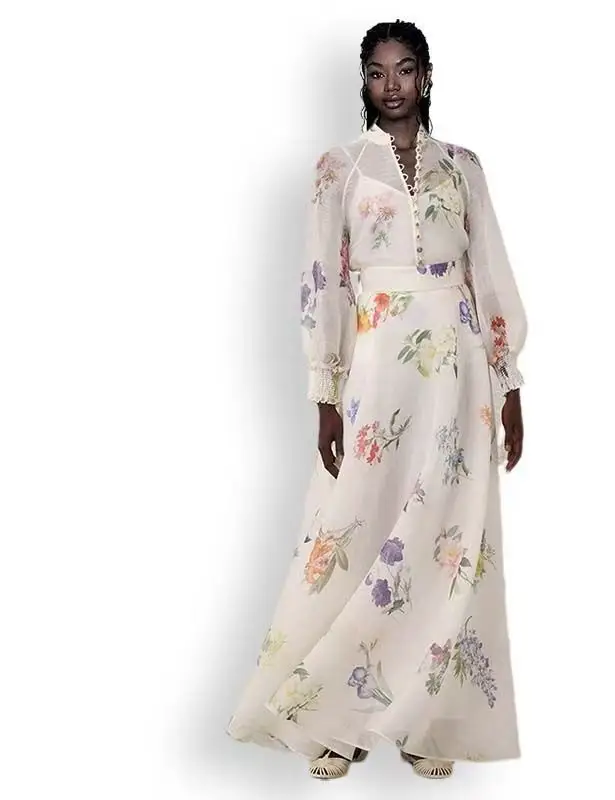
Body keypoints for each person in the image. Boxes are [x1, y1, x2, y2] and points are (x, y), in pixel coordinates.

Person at [226, 19, 528, 780]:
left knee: (447, 539)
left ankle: (425, 718)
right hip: (375, 369)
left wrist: (509, 382)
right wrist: (324, 394)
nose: (392, 84)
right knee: (356, 528)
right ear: (363, 82)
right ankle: (329, 715)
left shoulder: (464, 166)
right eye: (377, 71)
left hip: (459, 375)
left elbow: (489, 272)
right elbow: (322, 281)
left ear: (427, 76)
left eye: (405, 69)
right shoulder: (340, 168)